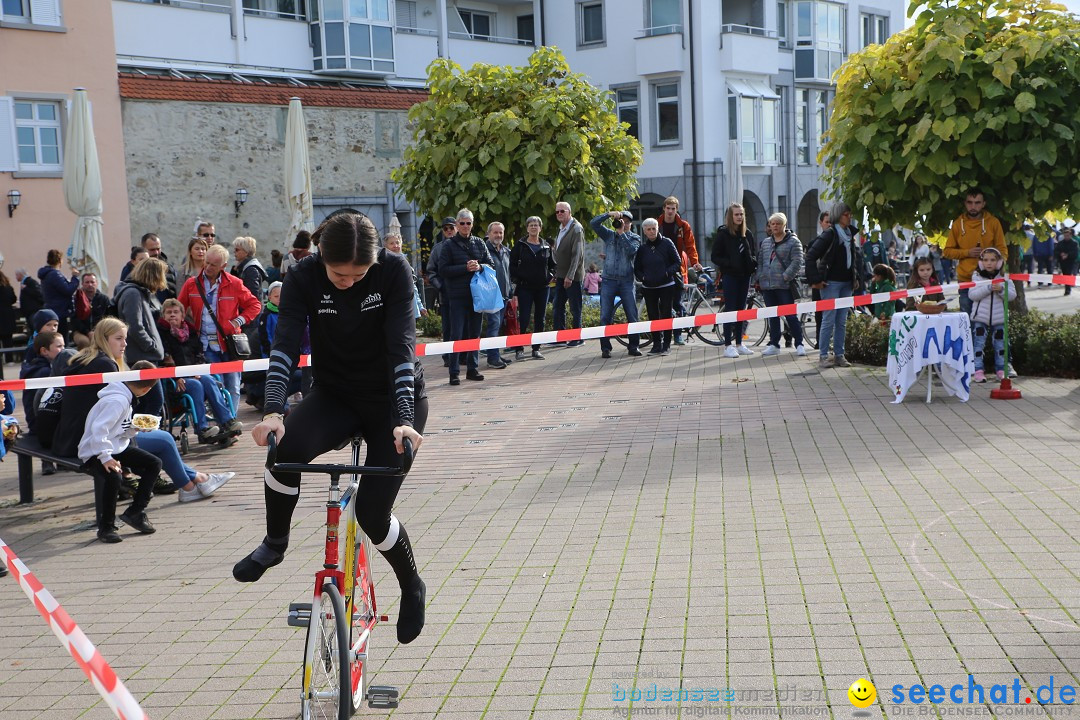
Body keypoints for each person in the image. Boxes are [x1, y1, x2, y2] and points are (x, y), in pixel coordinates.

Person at [232, 210, 429, 648]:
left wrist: (403, 418)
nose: (350, 282)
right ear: (321, 256)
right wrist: (273, 412)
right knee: (284, 452)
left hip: (392, 403)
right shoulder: (302, 275)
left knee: (371, 515)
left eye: (360, 274)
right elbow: (283, 345)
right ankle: (274, 542)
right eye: (340, 274)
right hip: (336, 394)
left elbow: (401, 349)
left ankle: (411, 584)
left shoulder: (394, 271)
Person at [78, 360, 164, 544]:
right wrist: (105, 457)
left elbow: (116, 429)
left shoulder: (125, 397)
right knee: (114, 477)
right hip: (95, 450)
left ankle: (136, 511)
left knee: (154, 463)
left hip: (114, 446)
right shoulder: (118, 401)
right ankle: (106, 527)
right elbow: (98, 430)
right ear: (146, 390)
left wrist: (134, 429)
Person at [178, 244, 262, 410]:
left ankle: (231, 424)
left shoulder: (235, 283)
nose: (208, 267)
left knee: (234, 387)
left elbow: (255, 305)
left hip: (230, 344)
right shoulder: (191, 284)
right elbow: (179, 308)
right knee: (217, 386)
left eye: (213, 265)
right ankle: (225, 424)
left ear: (223, 266)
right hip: (205, 345)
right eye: (206, 262)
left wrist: (238, 321)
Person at [158, 298, 242, 444]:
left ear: (182, 316)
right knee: (196, 385)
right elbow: (164, 359)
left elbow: (199, 356)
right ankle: (202, 429)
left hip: (194, 374)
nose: (172, 315)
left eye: (176, 312)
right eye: (168, 312)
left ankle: (227, 421)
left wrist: (198, 369)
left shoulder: (190, 332)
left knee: (208, 379)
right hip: (175, 380)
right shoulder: (161, 333)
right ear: (163, 316)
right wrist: (176, 376)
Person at [440, 209, 493, 385]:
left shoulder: (479, 242)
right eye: (461, 223)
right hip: (457, 296)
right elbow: (443, 270)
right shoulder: (448, 245)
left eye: (468, 223)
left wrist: (479, 267)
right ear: (457, 224)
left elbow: (491, 264)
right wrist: (465, 267)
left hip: (477, 296)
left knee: (474, 333)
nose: (465, 226)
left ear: (472, 224)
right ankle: (454, 372)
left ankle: (472, 368)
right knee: (456, 334)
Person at [805, 201, 860, 369]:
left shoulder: (849, 234)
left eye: (850, 214)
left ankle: (839, 355)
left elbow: (854, 259)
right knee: (829, 319)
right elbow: (810, 256)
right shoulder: (830, 234)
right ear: (838, 215)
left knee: (842, 321)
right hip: (831, 283)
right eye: (846, 214)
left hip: (846, 283)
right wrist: (815, 280)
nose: (849, 217)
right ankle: (823, 355)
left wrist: (855, 278)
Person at [114, 258, 168, 416]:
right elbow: (134, 326)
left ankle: (140, 436)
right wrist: (150, 346)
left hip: (143, 355)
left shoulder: (135, 293)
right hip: (143, 357)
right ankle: (146, 435)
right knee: (154, 401)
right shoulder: (133, 294)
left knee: (144, 402)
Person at [943, 188, 1007, 315]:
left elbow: (1003, 250)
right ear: (965, 204)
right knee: (966, 318)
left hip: (988, 279)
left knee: (990, 318)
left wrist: (998, 267)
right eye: (970, 202)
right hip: (966, 279)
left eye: (977, 203)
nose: (973, 206)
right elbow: (947, 252)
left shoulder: (993, 222)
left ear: (983, 204)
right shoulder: (957, 224)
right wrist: (967, 253)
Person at [711, 203, 757, 358]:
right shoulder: (724, 234)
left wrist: (752, 263)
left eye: (741, 214)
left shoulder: (747, 233)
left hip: (745, 276)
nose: (739, 217)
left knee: (741, 310)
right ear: (730, 217)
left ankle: (739, 343)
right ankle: (728, 345)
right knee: (730, 309)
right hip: (730, 276)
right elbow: (715, 256)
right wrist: (729, 263)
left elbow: (753, 252)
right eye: (736, 214)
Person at [756, 212, 806, 356]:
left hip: (784, 285)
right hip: (768, 285)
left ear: (784, 225)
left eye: (778, 223)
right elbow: (761, 261)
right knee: (773, 316)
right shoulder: (766, 243)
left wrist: (786, 276)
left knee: (790, 315)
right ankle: (774, 344)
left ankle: (799, 343)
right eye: (773, 224)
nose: (775, 226)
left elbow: (797, 261)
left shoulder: (794, 242)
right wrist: (760, 277)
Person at [509, 216, 556, 361]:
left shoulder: (546, 246)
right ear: (527, 228)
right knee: (523, 318)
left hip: (542, 288)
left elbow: (553, 264)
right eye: (531, 225)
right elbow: (512, 265)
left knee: (540, 319)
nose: (534, 227)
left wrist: (550, 276)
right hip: (525, 288)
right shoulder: (520, 245)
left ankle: (536, 348)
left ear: (540, 228)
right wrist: (518, 279)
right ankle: (519, 349)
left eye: (536, 225)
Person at [633, 218, 681, 356]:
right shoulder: (642, 248)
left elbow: (677, 262)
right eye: (648, 229)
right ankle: (656, 345)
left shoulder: (667, 243)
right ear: (644, 231)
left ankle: (666, 345)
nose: (652, 231)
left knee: (666, 315)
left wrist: (666, 273)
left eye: (654, 228)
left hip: (666, 285)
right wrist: (643, 277)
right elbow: (637, 268)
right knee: (653, 316)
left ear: (657, 228)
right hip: (649, 287)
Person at [657, 196, 700, 346]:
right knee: (662, 303)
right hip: (661, 267)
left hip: (678, 267)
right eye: (668, 208)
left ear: (676, 210)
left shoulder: (683, 226)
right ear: (664, 208)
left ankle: (678, 335)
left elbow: (690, 245)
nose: (670, 211)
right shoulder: (657, 224)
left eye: (673, 209)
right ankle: (663, 333)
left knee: (677, 301)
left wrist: (694, 262)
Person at [20, 330, 64, 477]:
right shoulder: (44, 371)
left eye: (64, 346)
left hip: (38, 418)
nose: (63, 350)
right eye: (59, 347)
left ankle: (55, 460)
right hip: (38, 420)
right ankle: (48, 460)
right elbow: (39, 402)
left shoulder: (40, 367)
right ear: (44, 351)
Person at [968, 247, 1014, 382]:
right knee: (978, 345)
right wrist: (988, 288)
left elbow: (1012, 295)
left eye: (993, 260)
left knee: (1001, 346)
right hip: (980, 318)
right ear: (981, 262)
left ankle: (1001, 369)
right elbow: (973, 295)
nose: (989, 263)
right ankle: (978, 370)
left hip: (999, 319)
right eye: (986, 260)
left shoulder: (1005, 278)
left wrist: (1001, 290)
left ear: (999, 262)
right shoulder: (976, 277)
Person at [551, 201, 586, 346]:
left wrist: (570, 275)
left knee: (575, 307)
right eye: (557, 212)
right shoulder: (561, 228)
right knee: (558, 306)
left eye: (562, 211)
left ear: (569, 212)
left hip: (573, 277)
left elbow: (577, 254)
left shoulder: (576, 228)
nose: (559, 214)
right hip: (560, 275)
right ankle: (560, 337)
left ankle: (577, 337)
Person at [480, 222, 514, 369]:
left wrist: (511, 291)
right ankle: (492, 358)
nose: (499, 235)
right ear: (489, 234)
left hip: (504, 294)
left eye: (501, 232)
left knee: (498, 326)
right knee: (494, 326)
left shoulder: (506, 251)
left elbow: (509, 273)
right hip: (492, 296)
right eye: (495, 232)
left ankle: (496, 354)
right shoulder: (484, 251)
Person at [425, 218, 457, 367]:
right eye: (446, 228)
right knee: (448, 327)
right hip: (446, 295)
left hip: (464, 294)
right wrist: (441, 286)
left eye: (451, 227)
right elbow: (431, 271)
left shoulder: (465, 245)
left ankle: (462, 355)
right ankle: (448, 356)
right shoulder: (437, 249)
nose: (449, 230)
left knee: (465, 326)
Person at [38, 249, 79, 339]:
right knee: (61, 340)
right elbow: (68, 290)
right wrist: (75, 278)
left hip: (52, 310)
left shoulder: (46, 274)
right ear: (60, 260)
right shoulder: (55, 274)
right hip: (59, 312)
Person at [70, 273, 111, 349]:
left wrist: (97, 331)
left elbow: (108, 318)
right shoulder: (77, 299)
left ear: (97, 283)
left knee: (98, 341)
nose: (90, 284)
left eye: (92, 282)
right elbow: (75, 320)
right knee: (84, 342)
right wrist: (87, 332)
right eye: (87, 282)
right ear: (82, 284)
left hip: (99, 331)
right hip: (80, 332)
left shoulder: (104, 299)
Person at [140, 233, 178, 302]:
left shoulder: (169, 269)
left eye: (158, 249)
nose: (156, 253)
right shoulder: (133, 270)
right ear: (143, 249)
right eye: (152, 250)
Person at [232, 236, 268, 301]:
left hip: (249, 309)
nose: (234, 252)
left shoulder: (251, 270)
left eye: (237, 250)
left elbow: (253, 296)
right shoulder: (243, 267)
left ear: (246, 252)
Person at [1055, 227, 1078, 296]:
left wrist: (1067, 255)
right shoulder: (1061, 243)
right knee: (1065, 275)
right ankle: (1067, 287)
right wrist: (1060, 254)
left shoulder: (1074, 243)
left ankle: (1068, 289)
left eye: (1068, 235)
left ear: (1070, 235)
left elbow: (1075, 253)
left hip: (1070, 262)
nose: (1066, 237)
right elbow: (1056, 251)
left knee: (1068, 274)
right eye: (1065, 236)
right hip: (1062, 262)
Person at [0, 270, 16, 363]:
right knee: (8, 340)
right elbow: (13, 299)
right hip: (7, 317)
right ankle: (10, 360)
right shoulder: (8, 288)